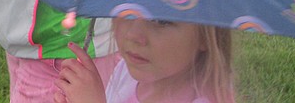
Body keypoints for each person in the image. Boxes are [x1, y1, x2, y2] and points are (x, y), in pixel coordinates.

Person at [54, 19, 234, 103]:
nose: (133, 34)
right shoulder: (127, 71)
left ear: (206, 35)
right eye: (127, 12)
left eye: (161, 21)